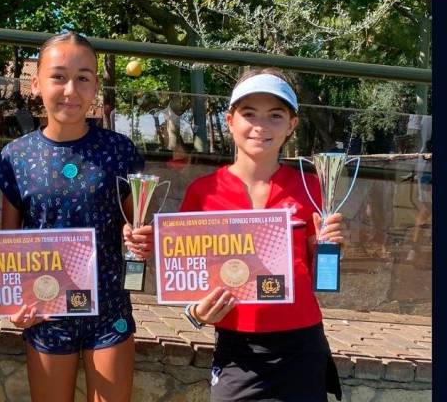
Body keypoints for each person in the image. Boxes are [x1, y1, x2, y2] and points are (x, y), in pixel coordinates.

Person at [128, 68, 345, 401]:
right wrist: (196, 313)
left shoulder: (312, 188)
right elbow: (186, 278)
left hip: (302, 344)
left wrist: (328, 248)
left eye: (275, 115)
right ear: (230, 121)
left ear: (292, 125)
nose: (260, 126)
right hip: (237, 348)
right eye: (249, 114)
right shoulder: (204, 192)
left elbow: (317, 279)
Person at [0, 31, 151, 402]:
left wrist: (139, 239)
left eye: (83, 77)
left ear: (96, 85)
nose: (70, 89)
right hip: (46, 312)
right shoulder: (16, 156)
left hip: (110, 308)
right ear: (36, 83)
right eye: (59, 76)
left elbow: (138, 229)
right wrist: (13, 304)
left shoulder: (119, 151)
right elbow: (7, 247)